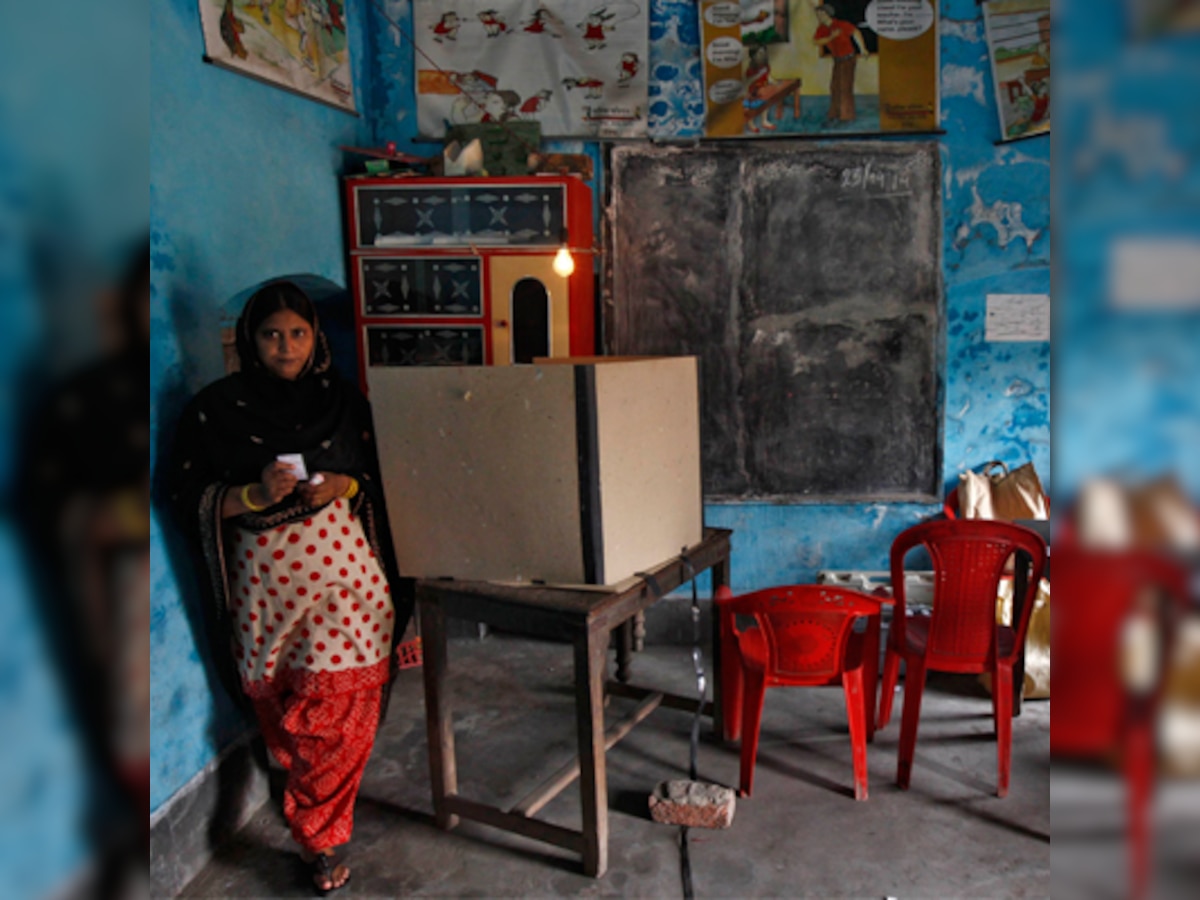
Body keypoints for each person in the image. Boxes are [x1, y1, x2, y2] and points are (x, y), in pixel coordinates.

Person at [168, 280, 409, 894]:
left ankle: (321, 839)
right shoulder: (215, 410)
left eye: (298, 334)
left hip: (345, 582)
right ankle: (312, 799)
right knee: (290, 711)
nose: (285, 346)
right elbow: (185, 495)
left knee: (340, 705)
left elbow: (375, 478)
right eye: (271, 334)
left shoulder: (342, 402)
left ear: (315, 339)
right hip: (267, 589)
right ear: (250, 340)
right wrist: (253, 495)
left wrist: (342, 489)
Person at [811, 4, 868, 123]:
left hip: (848, 59)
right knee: (835, 87)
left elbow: (855, 32)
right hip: (837, 60)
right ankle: (835, 114)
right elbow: (816, 41)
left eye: (821, 14)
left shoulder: (840, 24)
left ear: (828, 14)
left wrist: (863, 49)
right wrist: (831, 36)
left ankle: (846, 116)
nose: (819, 17)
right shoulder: (822, 29)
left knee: (845, 88)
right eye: (818, 14)